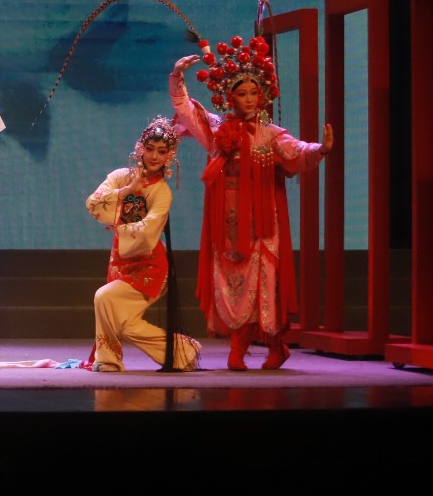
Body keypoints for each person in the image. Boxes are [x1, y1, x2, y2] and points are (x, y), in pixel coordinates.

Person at [171, 34, 332, 370]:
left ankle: (272, 346)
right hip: (226, 225)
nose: (248, 99)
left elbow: (298, 152)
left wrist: (321, 150)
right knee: (232, 285)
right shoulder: (217, 130)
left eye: (253, 93)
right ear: (230, 97)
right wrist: (176, 78)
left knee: (263, 284)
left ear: (263, 96)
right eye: (241, 93)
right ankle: (238, 345)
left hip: (262, 225)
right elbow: (187, 111)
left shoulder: (271, 134)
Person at [84, 117, 201, 372]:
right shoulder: (119, 177)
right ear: (140, 148)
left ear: (170, 155)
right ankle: (181, 351)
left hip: (150, 266)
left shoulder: (162, 192)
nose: (154, 156)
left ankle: (108, 359)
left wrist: (118, 226)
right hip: (121, 260)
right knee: (121, 321)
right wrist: (127, 190)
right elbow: (93, 203)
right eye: (150, 149)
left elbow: (148, 233)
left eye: (162, 151)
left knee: (104, 297)